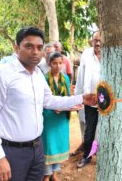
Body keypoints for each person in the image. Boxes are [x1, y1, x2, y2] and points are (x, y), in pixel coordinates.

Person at [0, 27, 96, 181]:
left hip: (37, 148)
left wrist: (81, 98)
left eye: (39, 48)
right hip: (11, 152)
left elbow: (49, 100)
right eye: (29, 46)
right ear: (16, 47)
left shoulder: (38, 74)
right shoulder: (1, 74)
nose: (35, 52)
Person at [42, 52, 73, 181]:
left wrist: (66, 106)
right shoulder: (43, 78)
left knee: (59, 144)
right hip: (48, 116)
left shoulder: (65, 77)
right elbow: (42, 98)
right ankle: (46, 174)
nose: (58, 66)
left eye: (60, 63)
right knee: (49, 145)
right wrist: (54, 107)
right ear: (50, 64)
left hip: (61, 117)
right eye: (55, 63)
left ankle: (54, 173)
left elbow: (68, 95)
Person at [76, 31, 101, 168]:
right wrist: (79, 96)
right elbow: (80, 77)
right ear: (91, 41)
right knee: (89, 129)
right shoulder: (86, 54)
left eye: (100, 40)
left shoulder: (110, 54)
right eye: (95, 40)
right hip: (90, 101)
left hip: (107, 103)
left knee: (105, 130)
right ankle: (87, 156)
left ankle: (103, 156)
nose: (97, 43)